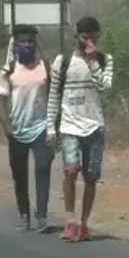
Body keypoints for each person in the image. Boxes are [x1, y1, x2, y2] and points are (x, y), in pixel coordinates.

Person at [46, 16, 113, 242]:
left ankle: (84, 223)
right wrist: (50, 129)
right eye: (85, 38)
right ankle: (70, 219)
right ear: (77, 37)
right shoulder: (62, 62)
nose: (89, 42)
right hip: (69, 126)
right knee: (70, 171)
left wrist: (93, 61)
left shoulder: (105, 60)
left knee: (91, 177)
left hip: (94, 126)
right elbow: (54, 95)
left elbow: (105, 88)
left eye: (93, 38)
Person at [0, 24, 54, 232]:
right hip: (17, 130)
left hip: (42, 128)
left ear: (35, 43)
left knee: (42, 169)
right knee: (19, 174)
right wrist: (7, 127)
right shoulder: (8, 70)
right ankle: (24, 213)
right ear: (16, 44)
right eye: (22, 41)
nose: (27, 45)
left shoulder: (45, 67)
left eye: (30, 41)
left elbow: (56, 95)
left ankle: (42, 216)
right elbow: (1, 100)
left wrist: (55, 126)